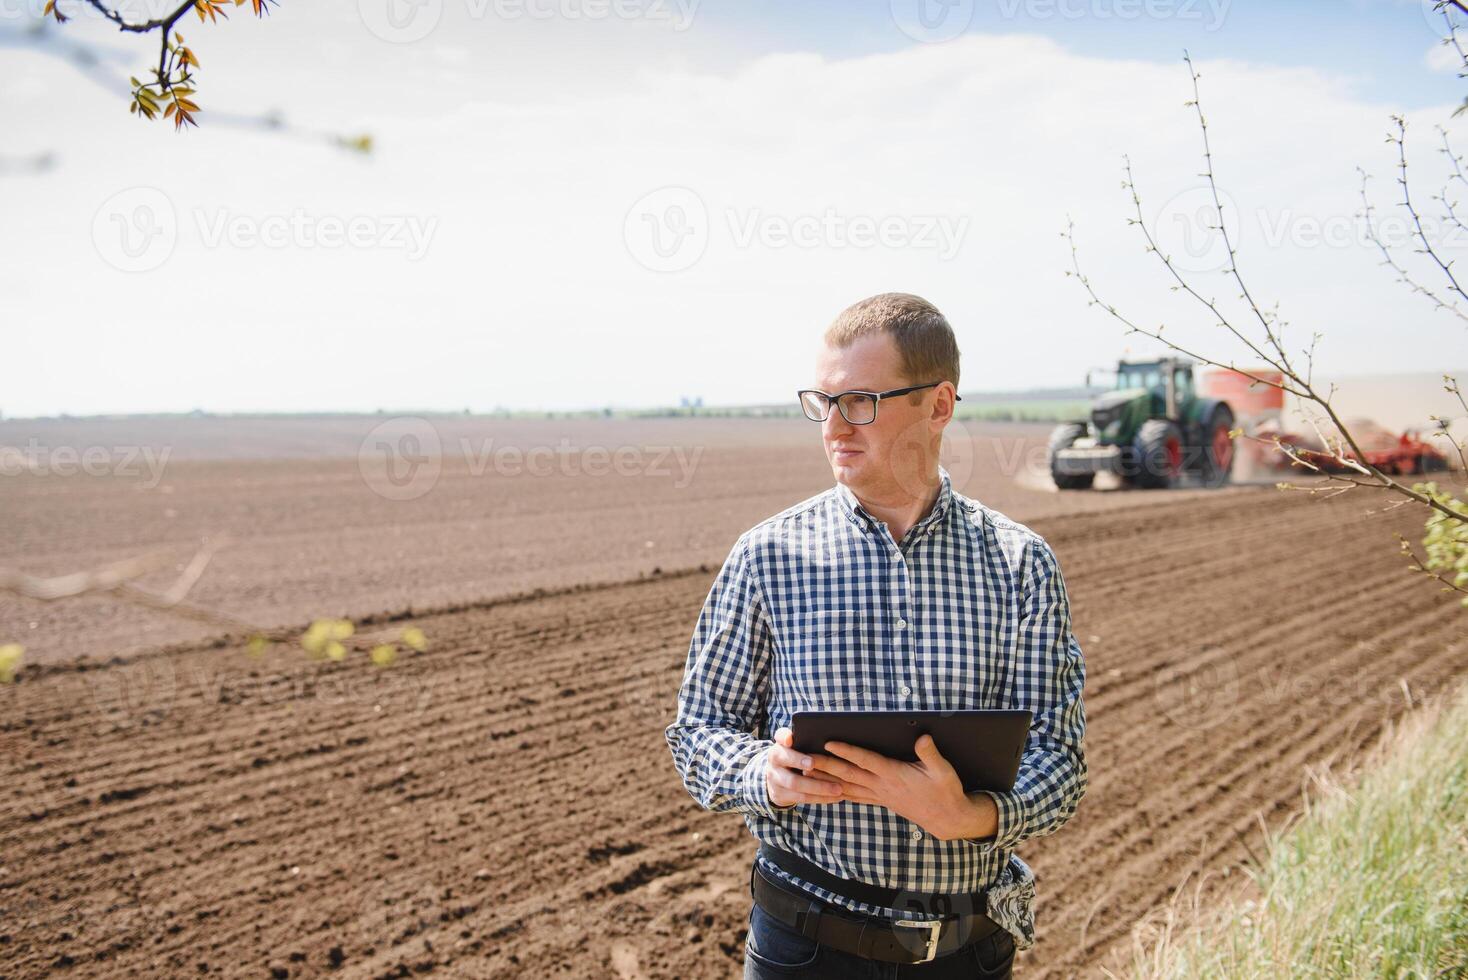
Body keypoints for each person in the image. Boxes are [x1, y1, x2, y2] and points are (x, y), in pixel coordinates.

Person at [664, 293, 1088, 978]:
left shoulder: (1020, 565)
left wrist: (971, 815)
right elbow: (699, 732)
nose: (833, 427)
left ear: (939, 405)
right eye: (821, 402)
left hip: (966, 952)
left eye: (860, 401)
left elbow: (1060, 762)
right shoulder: (768, 555)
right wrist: (762, 774)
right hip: (802, 948)